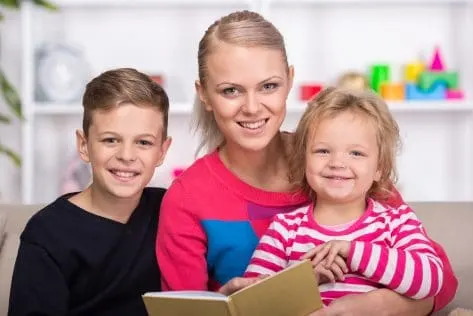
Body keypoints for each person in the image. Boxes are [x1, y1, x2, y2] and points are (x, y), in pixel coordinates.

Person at [156, 10, 457, 315]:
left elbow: (440, 282)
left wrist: (372, 305)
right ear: (204, 94)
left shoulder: (343, 165)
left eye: (268, 86)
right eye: (230, 90)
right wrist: (233, 298)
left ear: (289, 80)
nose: (251, 107)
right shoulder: (187, 198)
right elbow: (184, 311)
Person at [244, 87, 444, 307]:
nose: (337, 163)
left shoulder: (396, 222)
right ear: (304, 161)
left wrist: (354, 251)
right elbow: (251, 303)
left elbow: (431, 279)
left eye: (356, 153)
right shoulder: (284, 230)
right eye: (323, 151)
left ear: (380, 168)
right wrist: (303, 281)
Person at [9, 68, 172, 316]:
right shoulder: (48, 232)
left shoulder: (172, 209)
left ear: (161, 151)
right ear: (84, 145)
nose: (126, 156)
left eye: (143, 142)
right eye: (110, 140)